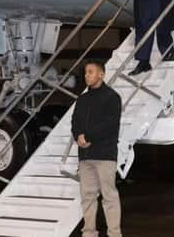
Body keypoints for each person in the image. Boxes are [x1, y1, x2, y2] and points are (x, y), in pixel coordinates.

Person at [71, 61, 123, 237]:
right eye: (86, 72)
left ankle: (114, 233)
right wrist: (78, 136)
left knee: (109, 197)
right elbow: (75, 122)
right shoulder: (82, 99)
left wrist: (88, 137)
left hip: (105, 156)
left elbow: (110, 125)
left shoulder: (112, 97)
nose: (87, 75)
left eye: (91, 72)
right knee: (87, 197)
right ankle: (89, 233)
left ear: (101, 74)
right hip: (85, 156)